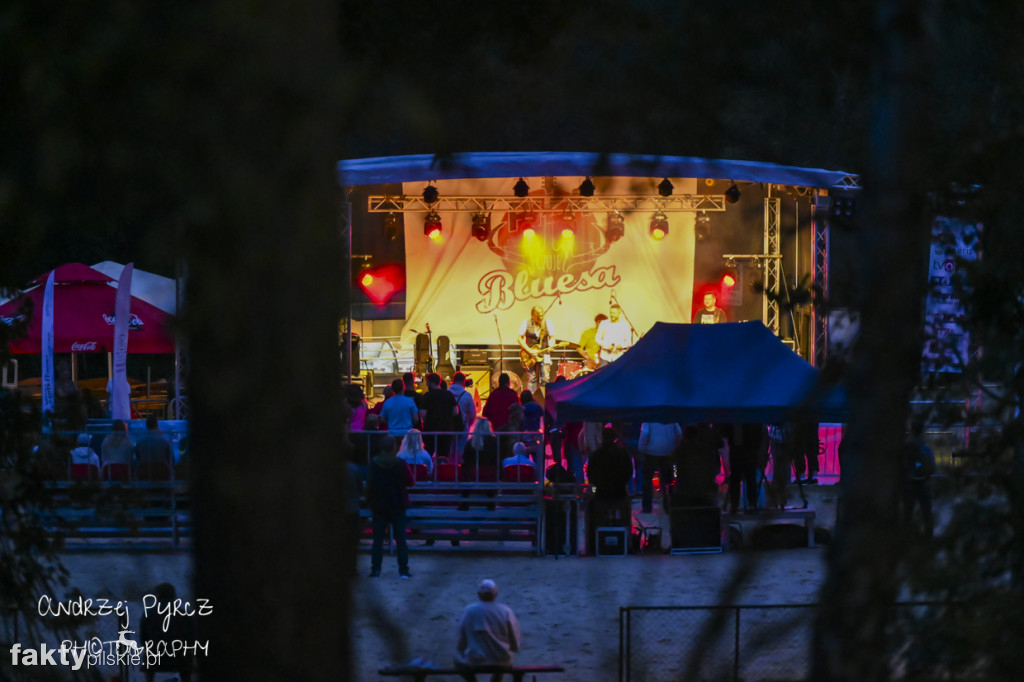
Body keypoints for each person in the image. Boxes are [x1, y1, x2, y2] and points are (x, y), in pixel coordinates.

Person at [454, 579, 521, 681]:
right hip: (501, 662)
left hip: (475, 661)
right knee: (501, 666)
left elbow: (462, 637)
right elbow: (514, 639)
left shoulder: (469, 611)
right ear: (496, 594)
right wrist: (512, 649)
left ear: (479, 594)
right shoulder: (506, 611)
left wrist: (462, 651)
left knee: (458, 662)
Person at [367, 436, 414, 578]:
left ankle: (376, 569)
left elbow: (370, 485)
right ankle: (403, 570)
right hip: (398, 503)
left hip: (379, 505)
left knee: (377, 540)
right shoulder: (401, 464)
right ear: (394, 447)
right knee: (401, 540)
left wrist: (371, 503)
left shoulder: (374, 463)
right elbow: (410, 482)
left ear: (381, 447)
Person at [585, 427, 634, 554]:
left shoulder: (596, 455)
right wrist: (621, 483)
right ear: (615, 438)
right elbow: (629, 471)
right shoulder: (622, 454)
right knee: (625, 518)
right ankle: (626, 543)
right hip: (619, 492)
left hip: (602, 493)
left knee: (598, 518)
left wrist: (598, 484)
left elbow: (590, 473)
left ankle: (596, 544)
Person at [138, 582, 195, 681]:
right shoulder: (185, 614)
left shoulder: (148, 614)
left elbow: (144, 640)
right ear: (173, 596)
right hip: (180, 659)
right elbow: (191, 640)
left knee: (149, 657)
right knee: (187, 661)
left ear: (157, 596)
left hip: (155, 659)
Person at [638, 421, 683, 514]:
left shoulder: (648, 419)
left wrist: (641, 448)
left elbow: (644, 434)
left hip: (651, 453)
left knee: (647, 482)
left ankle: (647, 507)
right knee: (668, 481)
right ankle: (668, 506)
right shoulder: (671, 417)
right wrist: (676, 446)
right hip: (668, 452)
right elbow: (679, 433)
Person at [902, 417, 936, 537]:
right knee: (926, 512)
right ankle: (928, 535)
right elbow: (932, 466)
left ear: (911, 430)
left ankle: (906, 536)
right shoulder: (925, 447)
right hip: (924, 482)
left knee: (907, 512)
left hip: (909, 483)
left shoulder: (907, 447)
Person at [417, 372, 458, 458]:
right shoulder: (448, 394)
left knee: (428, 453)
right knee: (444, 455)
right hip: (446, 430)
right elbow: (455, 412)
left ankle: (429, 467)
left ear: (430, 382)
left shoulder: (427, 396)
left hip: (431, 430)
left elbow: (423, 413)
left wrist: (426, 422)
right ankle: (443, 466)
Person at [518, 305, 556, 392]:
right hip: (530, 355)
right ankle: (532, 398)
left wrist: (551, 345)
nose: (540, 319)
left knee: (545, 378)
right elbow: (519, 338)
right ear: (533, 315)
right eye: (538, 317)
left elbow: (552, 337)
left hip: (544, 353)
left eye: (541, 317)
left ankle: (544, 397)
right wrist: (529, 351)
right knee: (532, 378)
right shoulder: (526, 323)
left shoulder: (547, 322)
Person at [449, 371, 477, 464]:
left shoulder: (447, 394)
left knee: (449, 452)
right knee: (461, 452)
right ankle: (460, 469)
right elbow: (472, 414)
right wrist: (467, 424)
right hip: (462, 428)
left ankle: (449, 469)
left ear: (453, 380)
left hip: (449, 428)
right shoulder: (467, 396)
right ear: (463, 382)